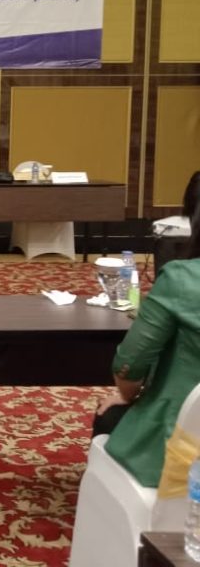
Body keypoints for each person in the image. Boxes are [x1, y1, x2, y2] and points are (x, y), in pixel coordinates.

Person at [92, 191, 200, 486]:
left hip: (180, 445)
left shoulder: (182, 279)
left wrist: (129, 396)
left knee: (110, 416)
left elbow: (129, 365)